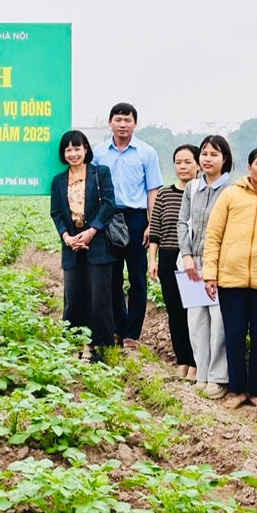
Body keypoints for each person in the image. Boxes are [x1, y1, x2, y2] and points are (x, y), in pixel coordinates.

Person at [202, 146, 257, 408]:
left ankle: (256, 392)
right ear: (249, 167)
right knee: (235, 335)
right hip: (232, 280)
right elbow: (213, 236)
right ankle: (237, 390)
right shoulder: (231, 195)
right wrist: (210, 274)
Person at [93, 102, 163, 349]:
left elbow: (153, 189)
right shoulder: (99, 153)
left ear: (135, 123)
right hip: (108, 218)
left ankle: (132, 334)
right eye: (118, 120)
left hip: (136, 219)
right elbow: (93, 189)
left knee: (137, 278)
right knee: (111, 277)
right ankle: (117, 329)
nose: (123, 125)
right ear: (110, 122)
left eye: (128, 120)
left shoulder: (146, 153)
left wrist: (150, 224)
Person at [50, 130, 117, 358]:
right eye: (68, 149)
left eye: (77, 148)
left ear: (86, 149)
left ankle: (98, 348)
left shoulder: (100, 174)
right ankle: (76, 345)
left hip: (96, 240)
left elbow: (109, 205)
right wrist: (66, 237)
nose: (73, 153)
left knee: (98, 297)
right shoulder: (58, 181)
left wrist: (90, 232)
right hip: (71, 243)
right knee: (74, 296)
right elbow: (57, 213)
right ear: (63, 153)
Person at [177, 135, 234, 398]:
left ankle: (218, 377)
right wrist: (186, 255)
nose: (208, 158)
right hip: (191, 264)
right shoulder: (192, 188)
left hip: (219, 265)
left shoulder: (232, 190)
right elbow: (182, 223)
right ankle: (202, 373)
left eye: (214, 154)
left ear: (225, 159)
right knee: (197, 319)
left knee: (219, 320)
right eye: (204, 153)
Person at [147, 144, 199, 379]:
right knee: (175, 311)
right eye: (179, 162)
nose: (183, 166)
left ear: (198, 164)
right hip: (169, 257)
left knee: (196, 313)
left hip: (194, 258)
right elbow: (155, 230)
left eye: (188, 161)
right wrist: (152, 260)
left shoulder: (203, 194)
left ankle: (198, 361)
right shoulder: (165, 195)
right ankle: (183, 360)